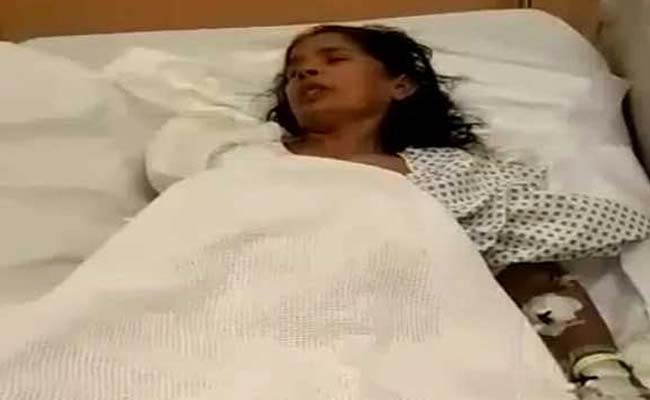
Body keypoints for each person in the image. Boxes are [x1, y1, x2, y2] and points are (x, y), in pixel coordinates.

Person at [266, 24, 650, 399]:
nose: (306, 72)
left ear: (400, 86)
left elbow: (573, 233)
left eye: (334, 59)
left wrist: (603, 371)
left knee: (519, 261)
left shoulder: (448, 175)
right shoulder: (252, 157)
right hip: (271, 320)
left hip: (399, 335)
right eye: (293, 72)